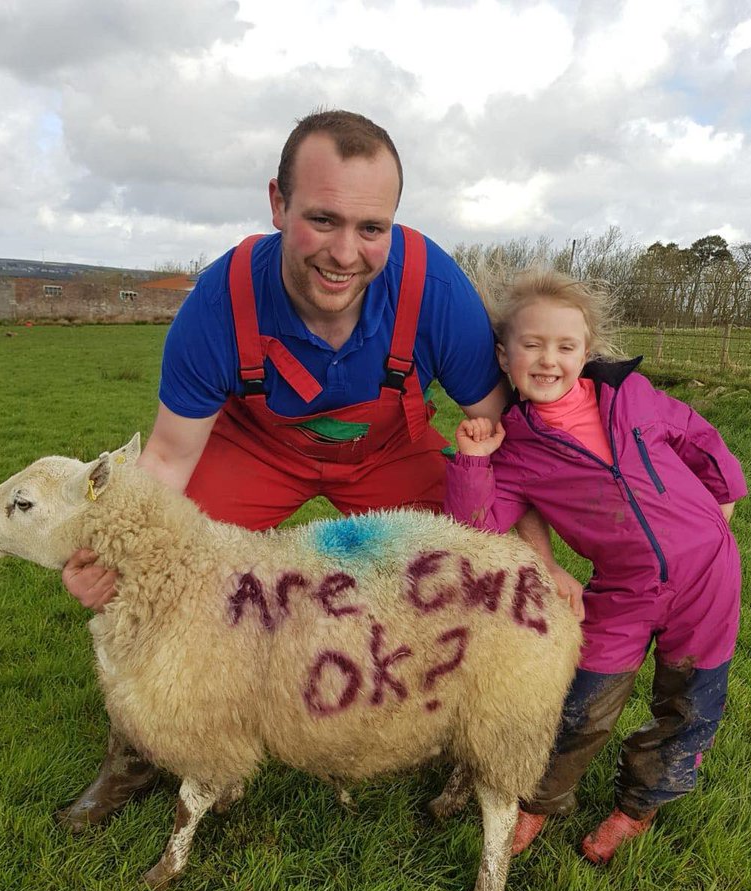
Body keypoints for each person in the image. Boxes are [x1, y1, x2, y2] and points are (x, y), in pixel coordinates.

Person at [57, 109, 508, 830]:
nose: (346, 252)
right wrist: (119, 552)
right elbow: (170, 456)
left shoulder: (431, 285)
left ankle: (450, 725)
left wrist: (535, 548)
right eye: (322, 219)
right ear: (278, 203)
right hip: (258, 450)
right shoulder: (222, 299)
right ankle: (137, 753)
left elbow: (509, 427)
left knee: (476, 558)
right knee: (165, 574)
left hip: (389, 451)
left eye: (371, 228)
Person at [444, 265, 747, 864]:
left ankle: (637, 807)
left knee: (691, 700)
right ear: (505, 358)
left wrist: (723, 504)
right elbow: (474, 531)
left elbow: (700, 438)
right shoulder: (518, 446)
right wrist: (474, 461)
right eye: (531, 345)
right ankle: (538, 801)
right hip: (624, 589)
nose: (548, 359)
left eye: (565, 345)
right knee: (584, 700)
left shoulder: (632, 397)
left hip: (710, 578)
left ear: (586, 352)